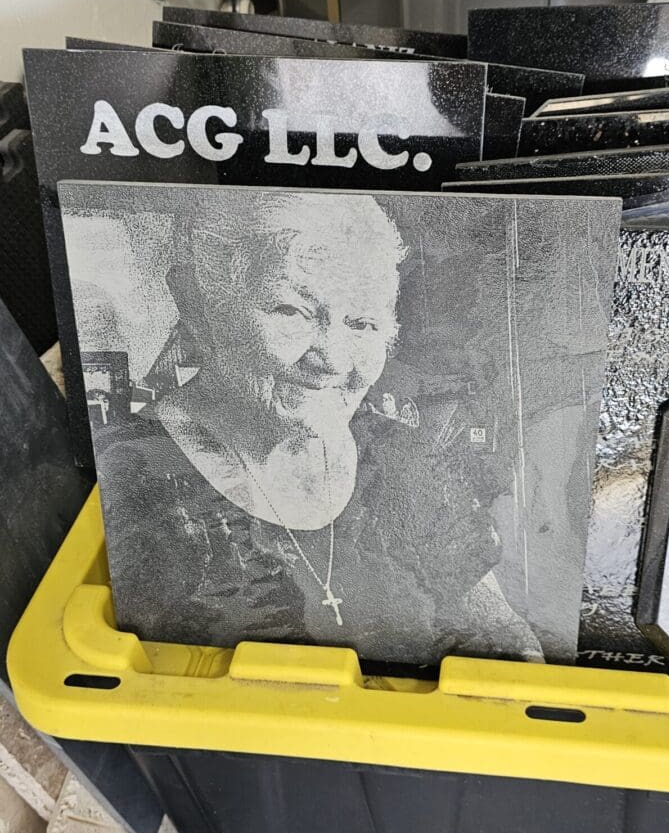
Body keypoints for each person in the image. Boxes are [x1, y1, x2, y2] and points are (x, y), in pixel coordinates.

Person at [95, 192, 543, 664]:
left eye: (362, 323)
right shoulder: (131, 476)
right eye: (292, 311)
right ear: (203, 311)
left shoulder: (400, 455)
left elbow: (499, 631)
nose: (331, 358)